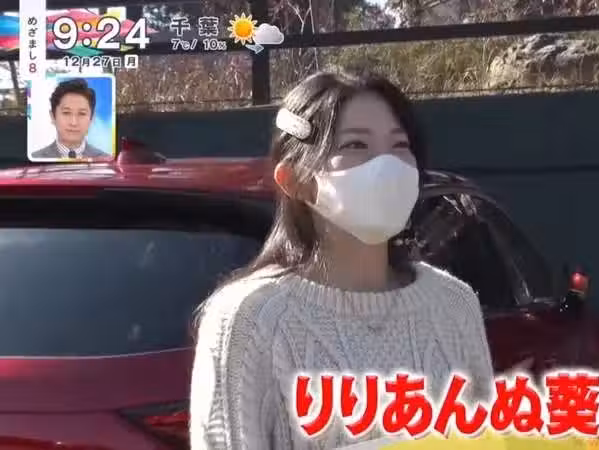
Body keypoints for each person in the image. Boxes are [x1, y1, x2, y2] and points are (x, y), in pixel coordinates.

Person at [189, 71, 494, 450]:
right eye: (355, 145)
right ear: (296, 180)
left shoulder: (454, 305)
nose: (387, 166)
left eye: (400, 145)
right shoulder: (249, 319)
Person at [30, 78, 110, 160]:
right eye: (66, 113)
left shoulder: (105, 159)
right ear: (53, 116)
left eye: (82, 113)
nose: (73, 122)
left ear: (92, 118)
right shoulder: (35, 158)